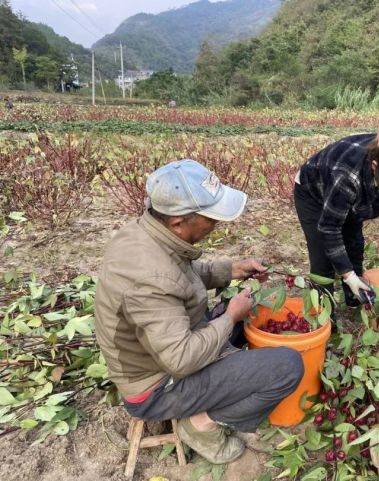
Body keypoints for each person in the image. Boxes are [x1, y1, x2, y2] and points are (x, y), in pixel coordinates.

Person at [95, 159, 304, 465]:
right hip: (157, 387)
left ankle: (219, 378)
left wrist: (230, 269)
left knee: (242, 317)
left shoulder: (148, 232)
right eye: (210, 218)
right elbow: (180, 359)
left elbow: (181, 274)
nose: (216, 224)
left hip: (157, 354)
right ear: (179, 222)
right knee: (287, 366)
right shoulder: (149, 277)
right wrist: (229, 316)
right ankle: (201, 425)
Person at [294, 123, 379, 307]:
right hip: (313, 190)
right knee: (323, 260)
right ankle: (323, 317)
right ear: (374, 166)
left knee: (354, 245)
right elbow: (329, 228)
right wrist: (349, 276)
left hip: (349, 194)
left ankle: (357, 299)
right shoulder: (348, 176)